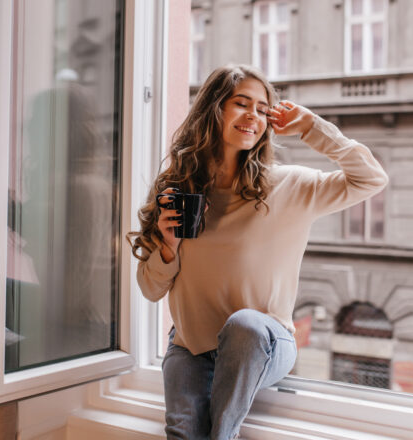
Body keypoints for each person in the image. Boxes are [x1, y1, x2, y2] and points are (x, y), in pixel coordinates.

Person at [127, 64, 388, 440]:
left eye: (263, 109)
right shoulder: (178, 191)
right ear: (213, 110)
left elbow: (371, 178)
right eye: (241, 103)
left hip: (265, 342)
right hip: (191, 346)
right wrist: (168, 248)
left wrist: (313, 127)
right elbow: (151, 290)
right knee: (182, 434)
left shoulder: (289, 186)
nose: (253, 116)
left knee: (244, 325)